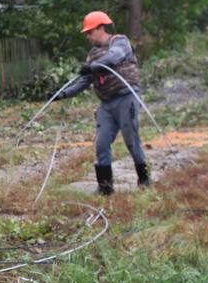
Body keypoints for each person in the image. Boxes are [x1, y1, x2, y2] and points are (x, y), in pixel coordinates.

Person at [51, 10, 149, 195]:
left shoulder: (119, 41)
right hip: (107, 105)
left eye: (90, 32)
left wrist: (92, 66)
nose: (88, 36)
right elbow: (84, 81)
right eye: (86, 33)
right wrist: (62, 94)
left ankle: (144, 180)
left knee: (132, 141)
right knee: (102, 143)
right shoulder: (93, 54)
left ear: (100, 28)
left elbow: (114, 56)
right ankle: (105, 188)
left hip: (126, 98)